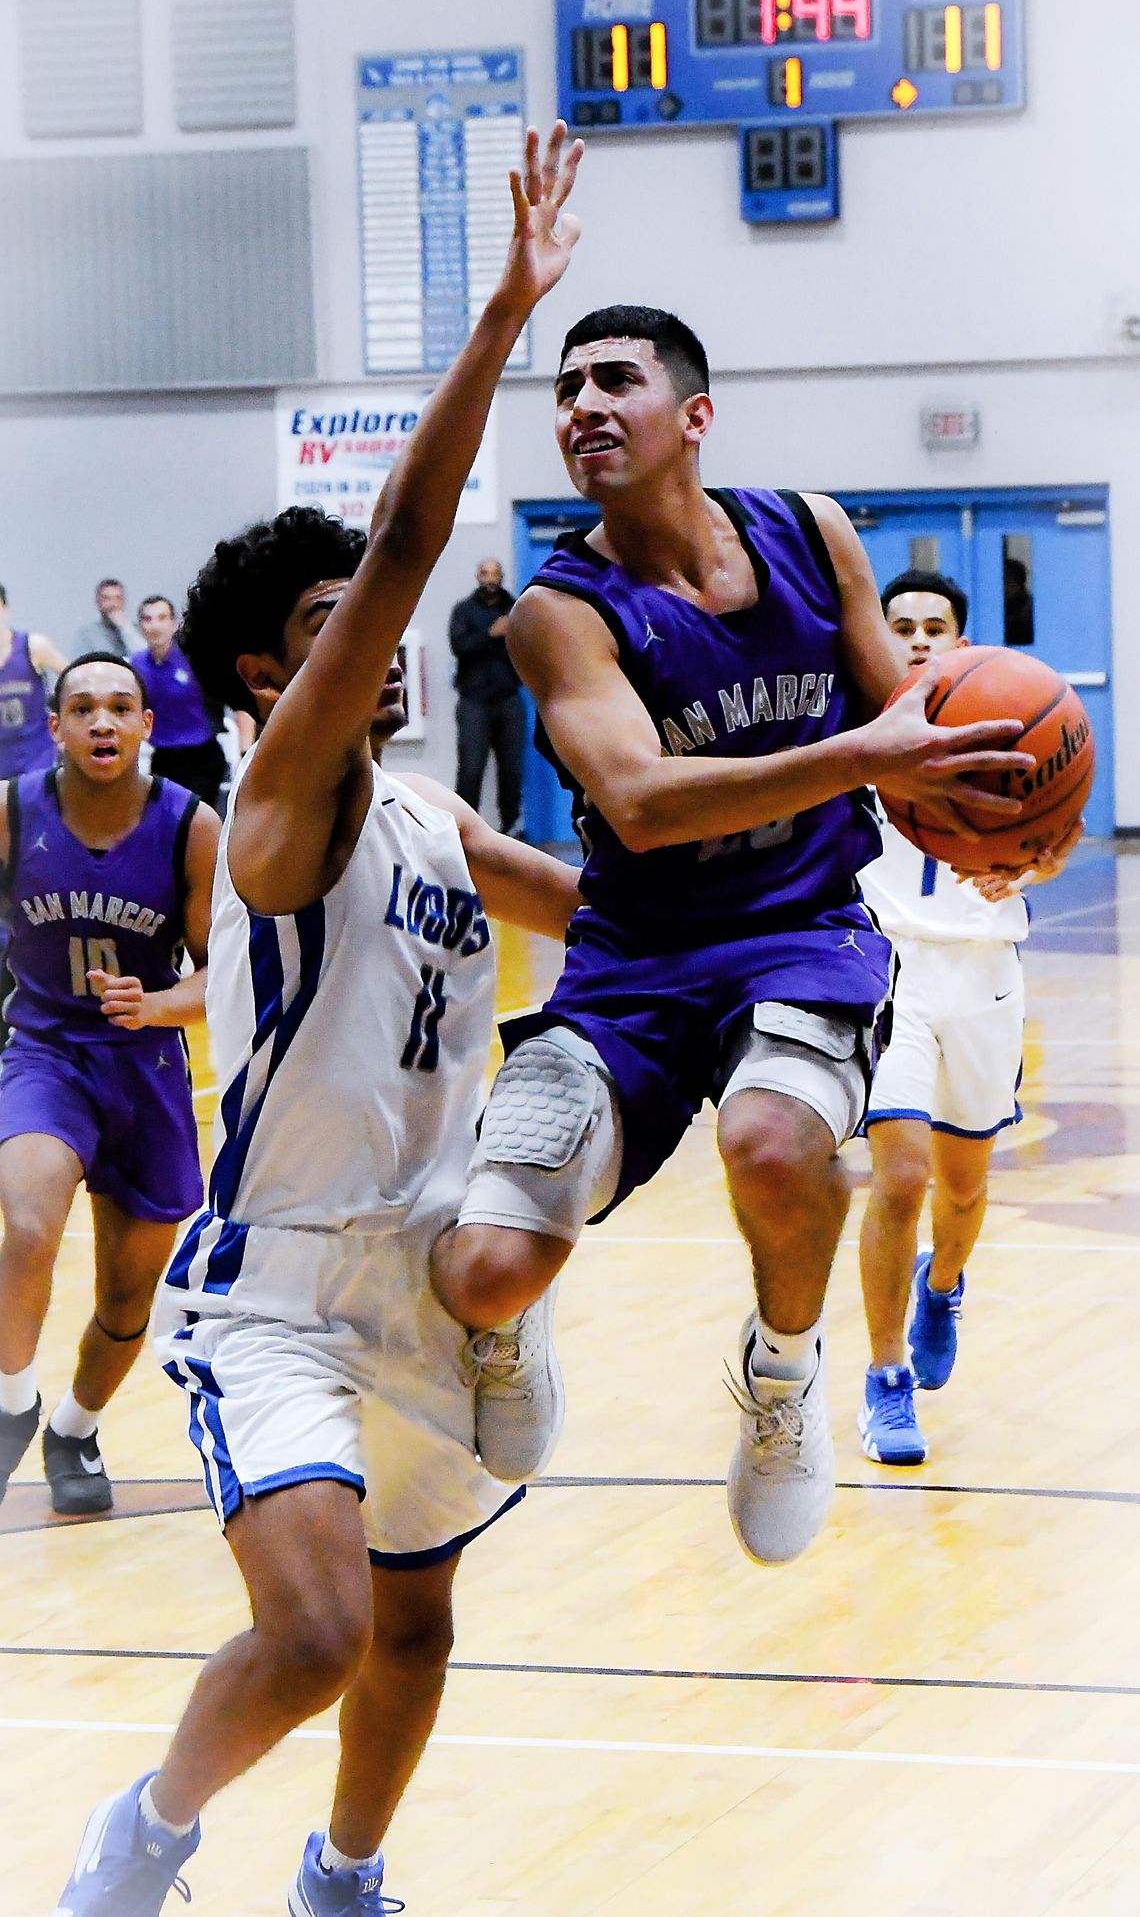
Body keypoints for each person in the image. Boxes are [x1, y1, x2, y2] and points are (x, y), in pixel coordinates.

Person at [57, 120, 583, 1917]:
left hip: (432, 1282)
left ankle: (342, 1875)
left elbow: (607, 904)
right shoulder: (285, 800)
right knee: (313, 1625)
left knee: (413, 1631)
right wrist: (505, 318)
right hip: (277, 1280)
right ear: (274, 679)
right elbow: (416, 538)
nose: (377, 622)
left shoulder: (428, 807)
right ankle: (150, 1835)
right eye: (331, 614)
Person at [428, 304, 1034, 1568]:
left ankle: (784, 1376)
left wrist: (1008, 808)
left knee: (770, 1136)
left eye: (616, 380)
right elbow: (640, 806)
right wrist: (859, 755)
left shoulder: (812, 531)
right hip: (633, 956)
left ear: (694, 415)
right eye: (568, 386)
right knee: (480, 1266)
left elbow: (902, 715)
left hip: (802, 929)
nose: (584, 404)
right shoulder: (555, 610)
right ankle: (510, 1322)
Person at [855, 570, 1076, 1463]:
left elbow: (1057, 845)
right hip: (889, 968)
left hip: (985, 974)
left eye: (932, 626)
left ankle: (942, 1284)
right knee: (899, 1178)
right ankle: (885, 1381)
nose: (915, 639)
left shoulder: (1013, 726)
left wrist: (1025, 870)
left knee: (965, 1188)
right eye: (899, 625)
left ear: (961, 639)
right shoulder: (852, 732)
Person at [0, 653, 217, 1518]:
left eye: (119, 708)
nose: (101, 722)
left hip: (146, 1067)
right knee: (24, 1221)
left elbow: (224, 970)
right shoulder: (15, 813)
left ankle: (76, 1426)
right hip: (45, 1052)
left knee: (129, 1296)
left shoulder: (190, 826)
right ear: (53, 726)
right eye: (82, 708)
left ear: (146, 726)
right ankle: (12, 1404)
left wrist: (159, 1000)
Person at [449, 557, 525, 835]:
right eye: (485, 573)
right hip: (474, 700)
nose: (490, 579)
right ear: (477, 576)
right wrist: (491, 634)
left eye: (495, 574)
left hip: (508, 698)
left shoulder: (515, 608)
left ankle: (512, 829)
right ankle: (462, 832)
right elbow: (460, 646)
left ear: (501, 576)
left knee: (512, 770)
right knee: (470, 769)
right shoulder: (464, 611)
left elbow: (529, 646)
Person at [133, 593, 229, 807]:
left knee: (195, 821)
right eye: (148, 619)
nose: (155, 625)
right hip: (165, 759)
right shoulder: (137, 665)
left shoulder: (195, 659)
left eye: (161, 618)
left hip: (201, 757)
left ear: (174, 624)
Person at [0, 583, 67, 780]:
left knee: (32, 806)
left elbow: (75, 680)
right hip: (3, 756)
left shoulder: (33, 646)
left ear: (6, 609)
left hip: (36, 753)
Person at [75, 576, 145, 659]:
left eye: (117, 598)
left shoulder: (139, 629)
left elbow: (145, 660)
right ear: (98, 602)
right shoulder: (87, 634)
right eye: (106, 598)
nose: (113, 604)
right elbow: (80, 667)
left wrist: (126, 628)